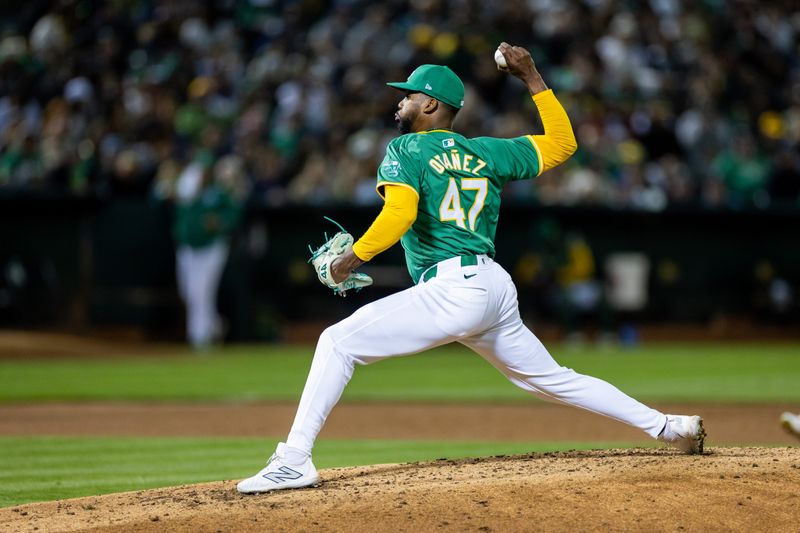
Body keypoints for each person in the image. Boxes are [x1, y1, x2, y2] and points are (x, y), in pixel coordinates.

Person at [237, 43, 706, 493]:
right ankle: (669, 427)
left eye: (409, 94)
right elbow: (563, 145)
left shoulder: (407, 151)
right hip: (492, 287)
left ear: (432, 105)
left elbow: (398, 216)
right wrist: (532, 77)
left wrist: (348, 261)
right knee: (556, 379)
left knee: (336, 342)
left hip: (452, 289)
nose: (400, 101)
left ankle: (293, 461)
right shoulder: (486, 152)